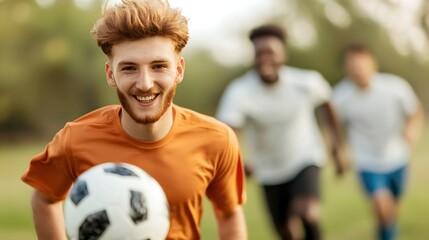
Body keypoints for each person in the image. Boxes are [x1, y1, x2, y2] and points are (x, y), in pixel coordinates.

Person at [21, 0, 247, 239]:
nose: (145, 83)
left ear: (179, 70)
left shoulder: (217, 139)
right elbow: (44, 199)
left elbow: (229, 213)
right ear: (111, 74)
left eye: (159, 66)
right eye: (129, 68)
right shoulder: (75, 139)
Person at [216, 24, 346, 240]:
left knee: (307, 212)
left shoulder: (305, 82)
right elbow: (227, 131)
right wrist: (237, 159)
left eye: (271, 53)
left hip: (305, 157)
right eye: (259, 54)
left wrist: (336, 147)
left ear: (283, 55)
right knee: (285, 231)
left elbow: (328, 105)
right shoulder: (240, 92)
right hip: (268, 169)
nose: (265, 59)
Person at [333, 43, 424, 240]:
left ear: (373, 64)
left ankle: (386, 232)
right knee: (382, 208)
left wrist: (411, 130)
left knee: (391, 211)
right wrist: (339, 152)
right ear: (346, 69)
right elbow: (335, 128)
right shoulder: (340, 97)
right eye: (353, 67)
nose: (358, 71)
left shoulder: (395, 87)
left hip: (397, 157)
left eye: (361, 65)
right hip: (367, 162)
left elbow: (415, 112)